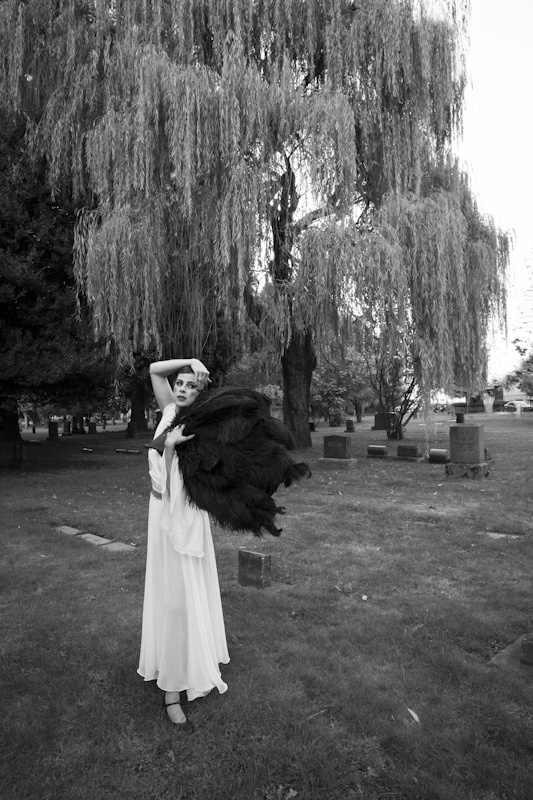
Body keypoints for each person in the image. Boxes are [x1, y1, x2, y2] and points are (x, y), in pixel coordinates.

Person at [138, 358, 229, 733]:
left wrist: (172, 447)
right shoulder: (169, 410)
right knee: (168, 595)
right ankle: (173, 671)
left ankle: (176, 688)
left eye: (191, 385)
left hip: (183, 515)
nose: (181, 388)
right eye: (180, 382)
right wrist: (191, 361)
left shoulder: (199, 426)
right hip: (159, 511)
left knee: (182, 596)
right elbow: (154, 370)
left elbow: (182, 481)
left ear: (200, 392)